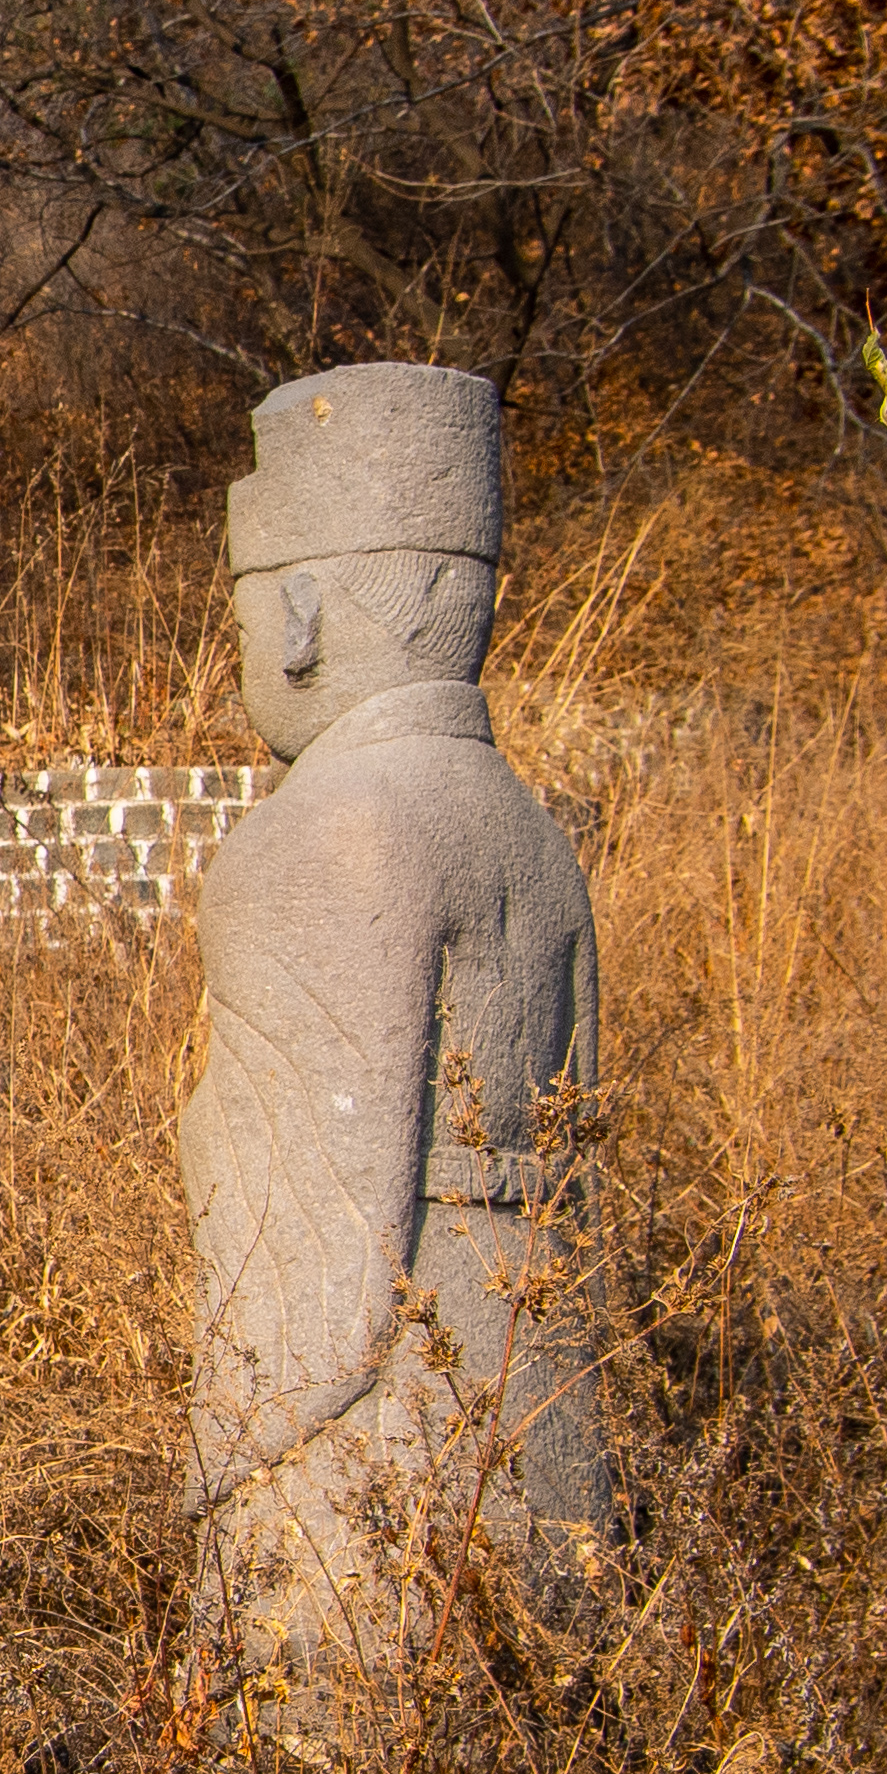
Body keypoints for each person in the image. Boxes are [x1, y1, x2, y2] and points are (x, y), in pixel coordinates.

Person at [178, 364, 615, 1691]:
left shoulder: (324, 831)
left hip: (389, 1430)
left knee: (335, 1761)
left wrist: (220, 1462)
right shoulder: (529, 829)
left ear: (299, 612)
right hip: (544, 1387)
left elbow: (308, 1217)